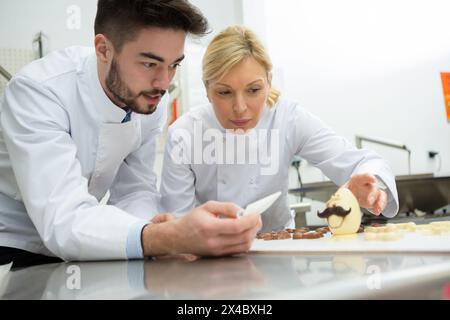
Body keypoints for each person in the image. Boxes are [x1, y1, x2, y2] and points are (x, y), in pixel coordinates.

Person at [0, 1, 262, 266]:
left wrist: (152, 226)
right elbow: (64, 221)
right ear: (103, 50)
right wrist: (166, 238)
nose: (163, 83)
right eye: (150, 64)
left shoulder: (148, 102)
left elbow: (134, 190)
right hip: (12, 246)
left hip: (80, 250)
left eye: (174, 65)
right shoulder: (39, 92)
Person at [160, 26, 399, 231]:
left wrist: (371, 187)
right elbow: (176, 223)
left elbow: (361, 161)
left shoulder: (287, 118)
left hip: (279, 256)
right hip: (206, 263)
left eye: (253, 90)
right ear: (207, 89)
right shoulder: (185, 134)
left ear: (269, 82)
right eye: (224, 92)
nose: (240, 108)